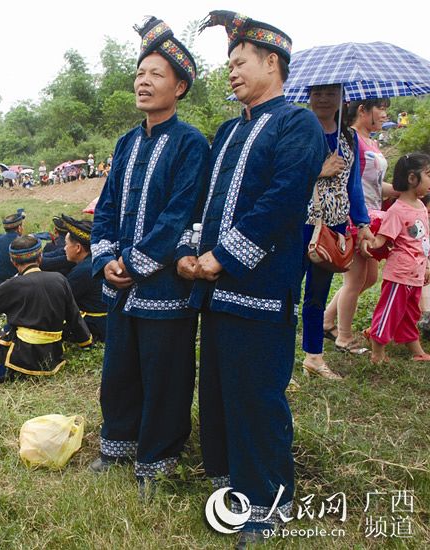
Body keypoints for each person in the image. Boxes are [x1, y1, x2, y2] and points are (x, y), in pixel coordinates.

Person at [188, 12, 326, 542]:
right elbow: (205, 201)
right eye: (228, 65)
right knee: (221, 388)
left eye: (240, 62)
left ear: (273, 63)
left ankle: (268, 500)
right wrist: (191, 253)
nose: (231, 72)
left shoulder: (297, 124)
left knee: (257, 393)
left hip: (262, 287)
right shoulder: (227, 129)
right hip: (214, 290)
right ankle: (229, 482)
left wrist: (221, 257)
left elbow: (283, 201)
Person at [90, 16, 209, 498]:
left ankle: (158, 457)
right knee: (119, 365)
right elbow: (108, 206)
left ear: (179, 86)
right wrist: (105, 260)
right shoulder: (125, 142)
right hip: (120, 282)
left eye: (157, 74)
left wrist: (136, 264)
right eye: (140, 73)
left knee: (166, 372)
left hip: (164, 285)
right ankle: (117, 442)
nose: (144, 81)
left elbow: (180, 215)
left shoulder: (191, 143)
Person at [300, 85, 373, 379]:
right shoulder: (299, 130)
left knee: (318, 293)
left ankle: (313, 357)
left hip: (335, 226)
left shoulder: (349, 137)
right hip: (300, 222)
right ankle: (278, 360)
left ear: (342, 98)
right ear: (309, 96)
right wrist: (319, 170)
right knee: (289, 292)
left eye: (331, 93)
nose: (323, 98)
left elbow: (353, 185)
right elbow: (281, 175)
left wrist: (363, 223)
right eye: (317, 93)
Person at [324, 97, 395, 352]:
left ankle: (326, 320)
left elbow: (376, 184)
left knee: (369, 278)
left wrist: (405, 191)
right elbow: (352, 183)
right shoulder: (352, 139)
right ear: (363, 111)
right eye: (381, 109)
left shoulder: (371, 141)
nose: (385, 114)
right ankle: (344, 336)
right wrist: (357, 218)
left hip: (373, 217)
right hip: (358, 217)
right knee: (354, 280)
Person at [0, 235, 91, 383]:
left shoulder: (12, 285)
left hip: (22, 356)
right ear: (40, 257)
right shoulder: (60, 279)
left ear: (13, 261)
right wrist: (86, 343)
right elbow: (74, 316)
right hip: (53, 354)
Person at [363, 153, 430, 363]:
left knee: (411, 315)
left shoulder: (421, 208)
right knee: (389, 313)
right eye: (428, 174)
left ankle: (417, 351)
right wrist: (367, 241)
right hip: (400, 275)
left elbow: (423, 243)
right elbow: (382, 239)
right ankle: (377, 351)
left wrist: (426, 267)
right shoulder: (397, 210)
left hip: (416, 274)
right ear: (412, 178)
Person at [61, 215, 107, 341]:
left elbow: (61, 300)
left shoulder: (83, 271)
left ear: (78, 248)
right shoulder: (95, 261)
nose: (64, 248)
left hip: (94, 327)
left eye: (66, 244)